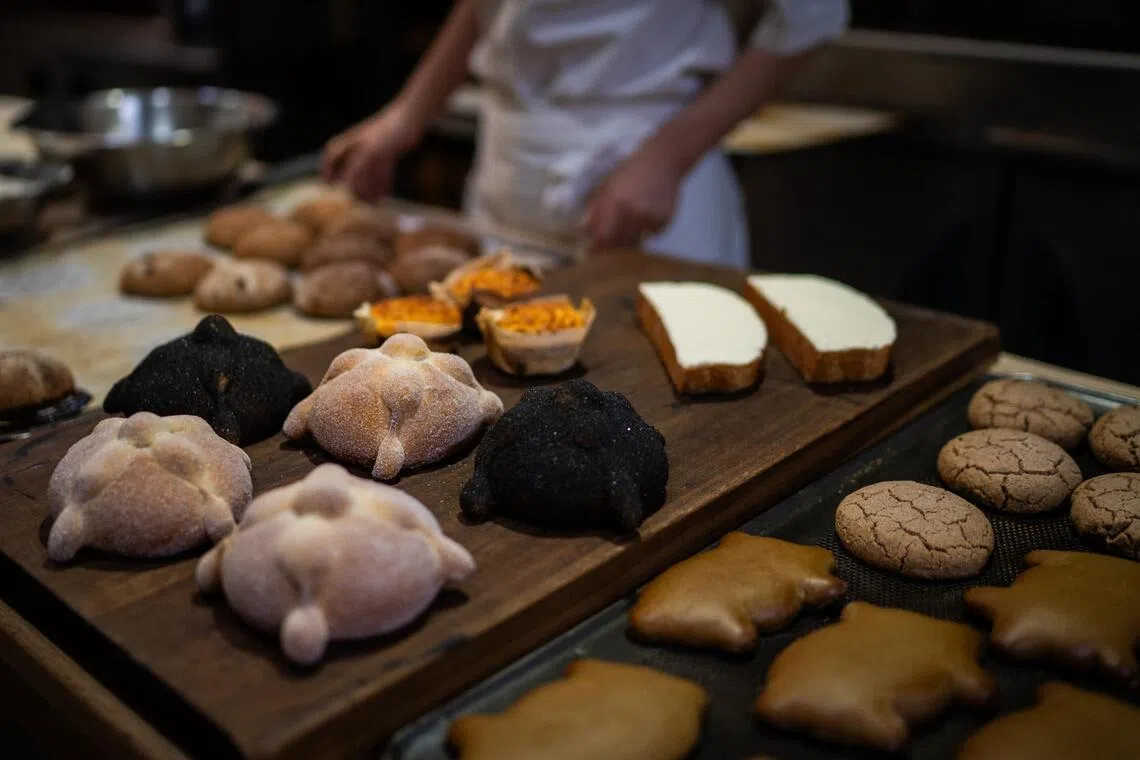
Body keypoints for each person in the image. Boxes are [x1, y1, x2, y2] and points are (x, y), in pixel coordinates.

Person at [323, 1, 849, 268]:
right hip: (507, 164)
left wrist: (667, 158)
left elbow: (812, 14)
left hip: (644, 172)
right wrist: (409, 113)